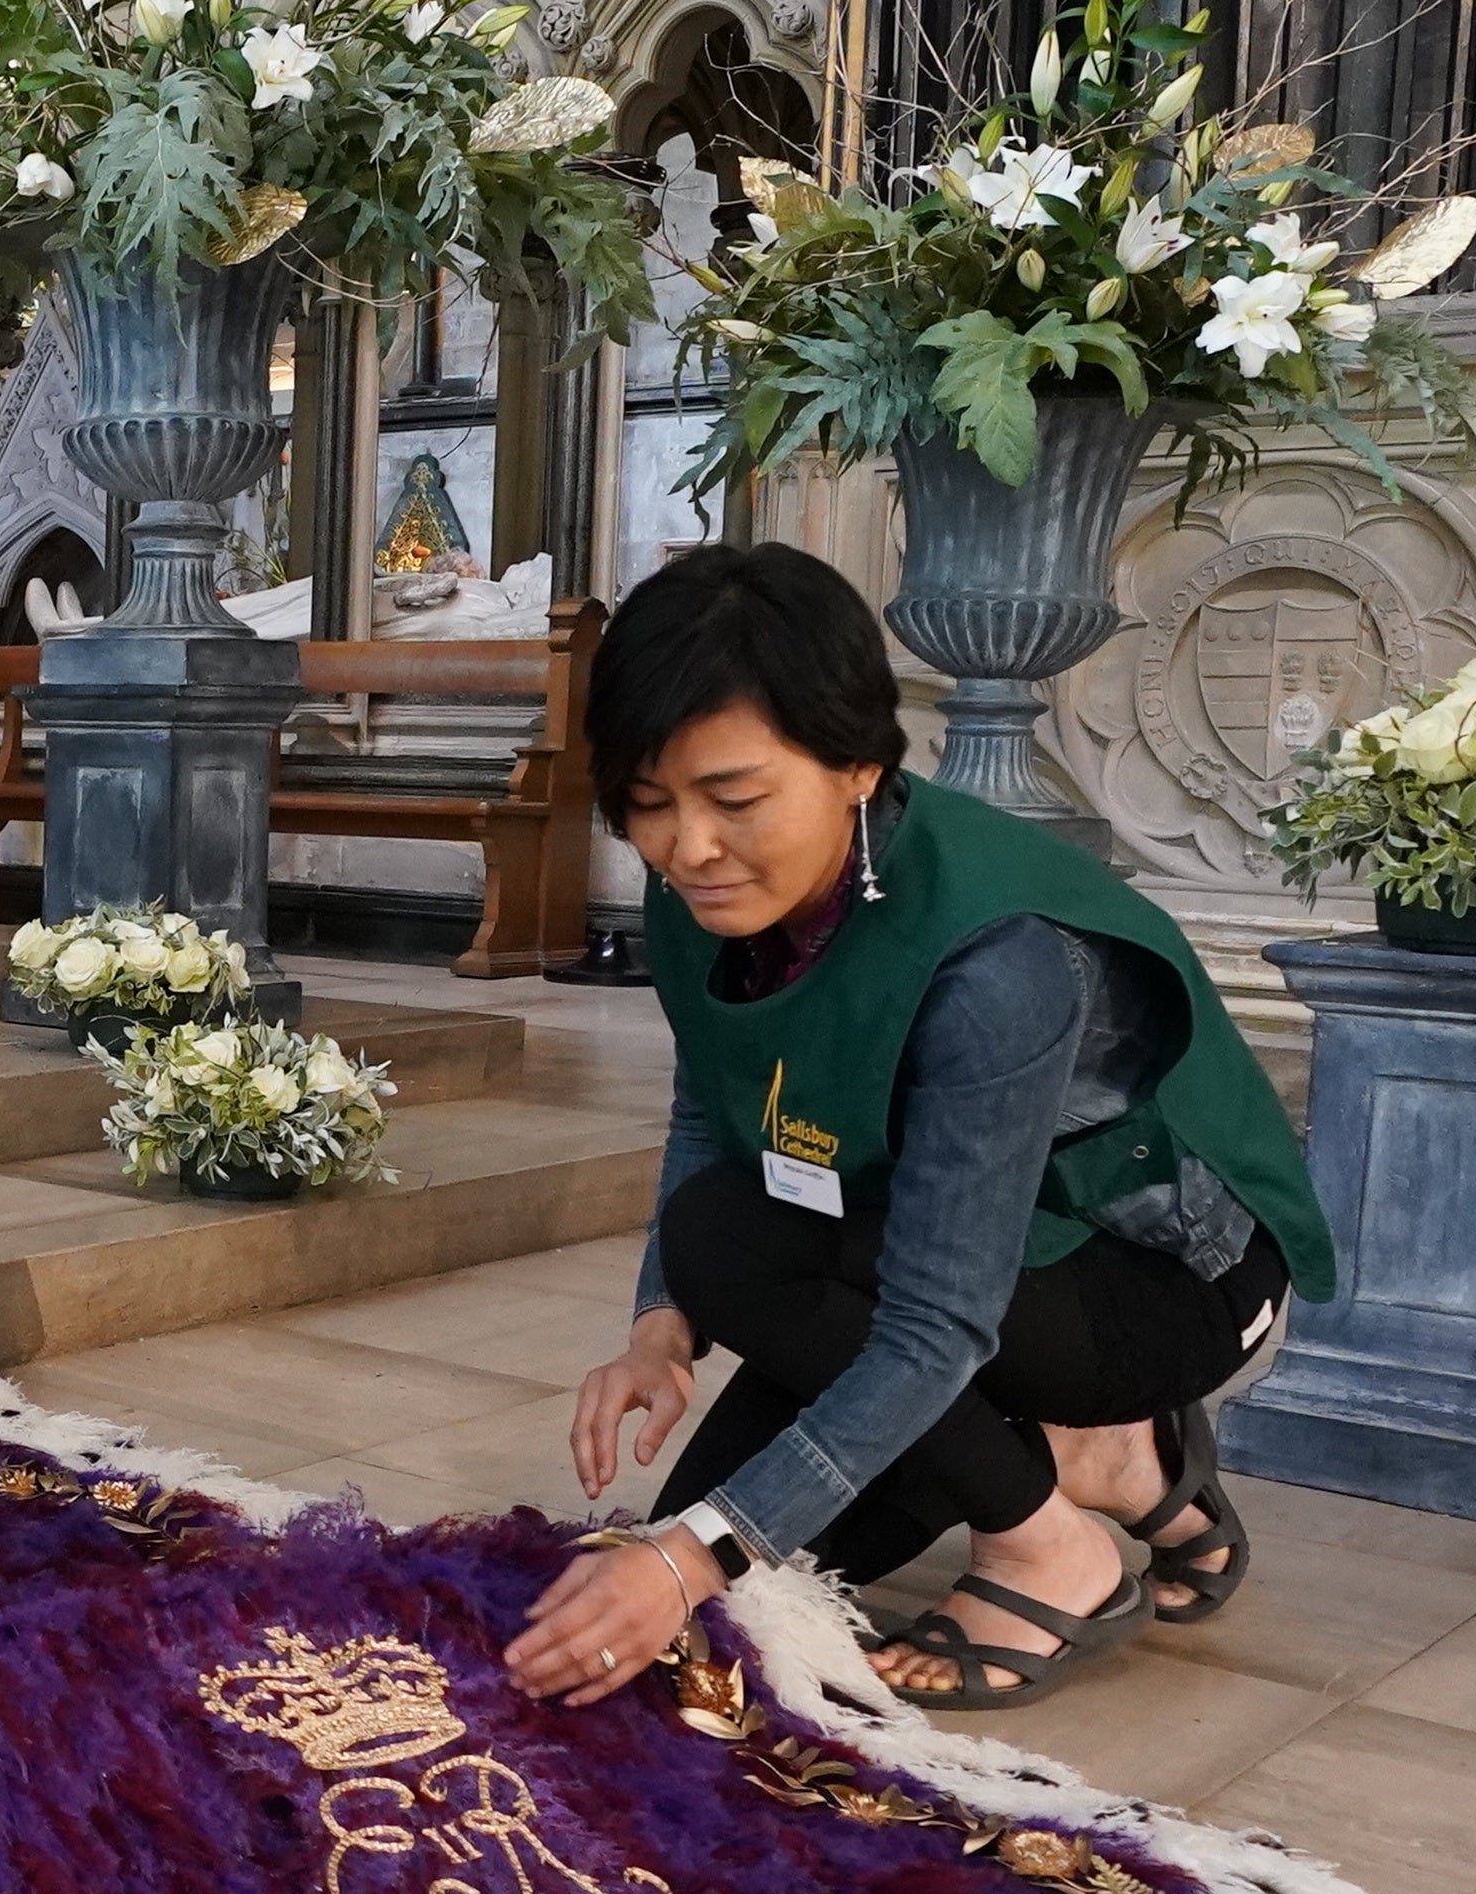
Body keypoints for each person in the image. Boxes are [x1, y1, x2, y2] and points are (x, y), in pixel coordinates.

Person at [501, 544, 1335, 1714]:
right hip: (955, 1241)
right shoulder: (708, 886)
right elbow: (718, 1093)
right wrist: (659, 1331)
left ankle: (1058, 1546)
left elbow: (935, 1327)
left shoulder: (1000, 967)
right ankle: (1101, 1458)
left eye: (735, 800)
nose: (687, 847)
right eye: (647, 804)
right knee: (735, 1515)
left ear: (856, 764)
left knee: (703, 1560)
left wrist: (692, 1556)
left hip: (1160, 1279)